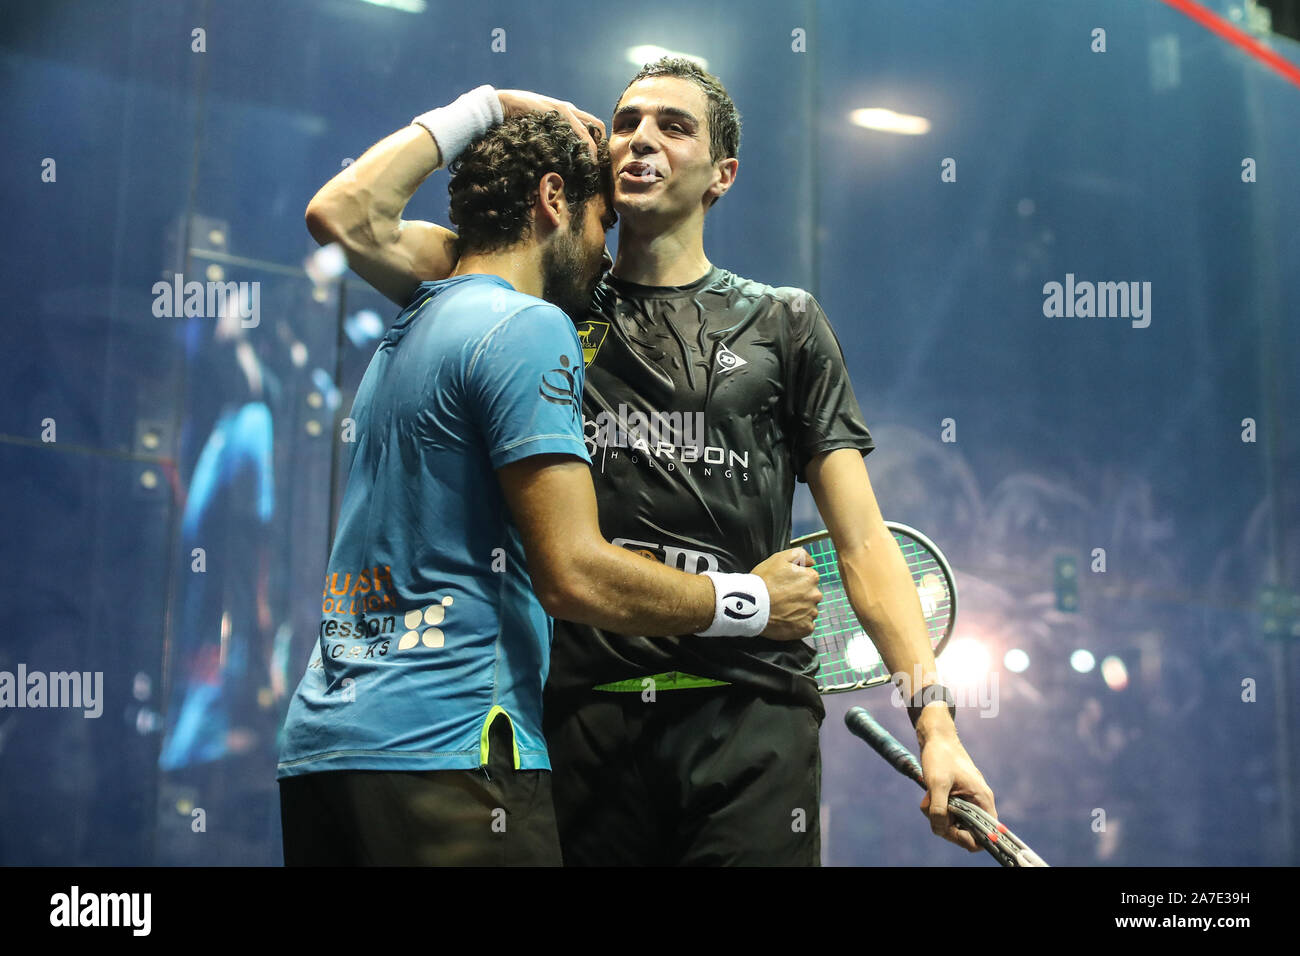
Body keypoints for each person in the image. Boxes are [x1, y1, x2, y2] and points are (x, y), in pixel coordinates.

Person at [305, 64, 997, 866]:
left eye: (674, 126)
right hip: (581, 729)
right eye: (626, 121)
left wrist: (936, 724)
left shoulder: (786, 324)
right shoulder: (532, 297)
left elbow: (866, 546)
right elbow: (348, 218)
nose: (640, 138)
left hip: (750, 725)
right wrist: (487, 106)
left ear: (722, 175)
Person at [277, 105, 821, 866]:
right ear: (553, 200)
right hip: (454, 753)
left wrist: (486, 104)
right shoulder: (530, 327)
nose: (605, 258)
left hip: (324, 753)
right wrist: (752, 604)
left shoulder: (422, 315)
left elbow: (340, 209)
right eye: (600, 224)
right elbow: (571, 573)